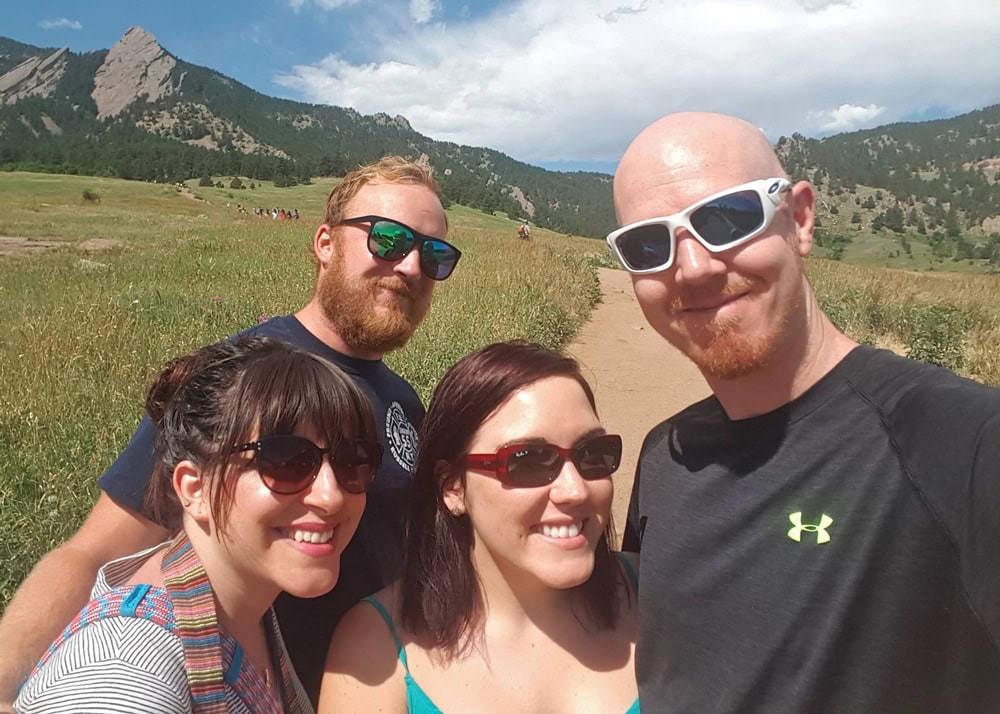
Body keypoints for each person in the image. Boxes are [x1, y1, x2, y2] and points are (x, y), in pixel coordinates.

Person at [0, 156, 463, 708]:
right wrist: (6, 680)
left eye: (434, 255)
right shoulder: (241, 381)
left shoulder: (403, 399)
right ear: (324, 242)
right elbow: (97, 550)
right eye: (388, 240)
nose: (411, 267)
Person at [608, 112, 1000, 712]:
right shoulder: (665, 455)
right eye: (647, 244)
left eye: (726, 218)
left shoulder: (961, 441)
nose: (692, 269)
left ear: (799, 219)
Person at [16, 336, 380, 712]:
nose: (331, 495)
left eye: (351, 460)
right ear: (195, 488)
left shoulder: (246, 611)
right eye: (287, 460)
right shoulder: (126, 674)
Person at [319, 341, 639, 714]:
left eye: (593, 454)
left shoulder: (660, 596)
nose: (575, 489)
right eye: (528, 461)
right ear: (453, 487)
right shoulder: (375, 650)